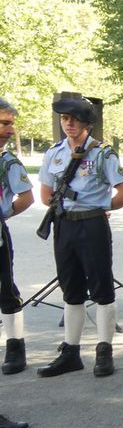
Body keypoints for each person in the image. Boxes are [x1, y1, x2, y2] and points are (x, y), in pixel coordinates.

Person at [37, 97, 123, 378]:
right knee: (70, 289)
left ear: (87, 123)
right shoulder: (53, 153)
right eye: (64, 119)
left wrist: (101, 207)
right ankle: (71, 352)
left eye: (74, 119)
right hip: (64, 224)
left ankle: (104, 351)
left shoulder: (102, 153)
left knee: (102, 287)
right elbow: (45, 195)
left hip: (92, 225)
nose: (69, 124)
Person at [0, 99, 35, 375]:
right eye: (4, 123)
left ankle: (15, 346)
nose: (10, 130)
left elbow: (26, 197)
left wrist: (4, 214)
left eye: (10, 124)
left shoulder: (8, 162)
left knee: (6, 291)